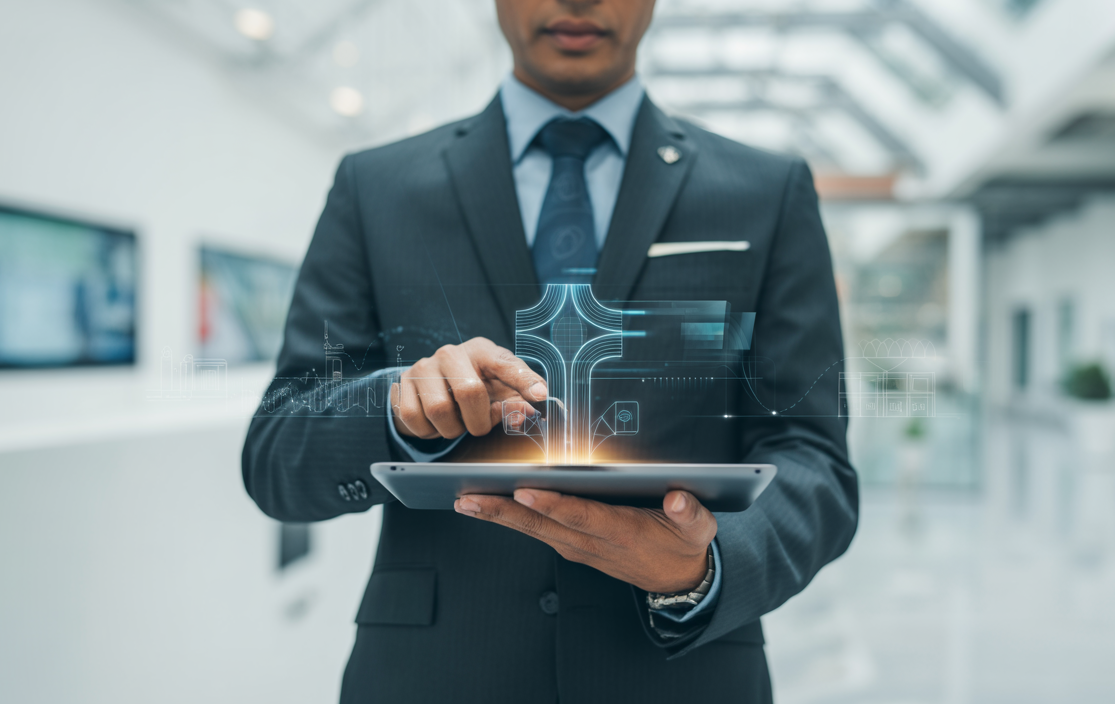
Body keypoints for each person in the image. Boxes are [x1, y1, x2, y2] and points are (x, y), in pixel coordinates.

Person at [242, 0, 859, 701]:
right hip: (433, 677)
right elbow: (275, 457)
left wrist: (703, 568)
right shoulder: (376, 188)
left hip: (684, 678)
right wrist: (395, 409)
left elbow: (816, 463)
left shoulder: (764, 193)